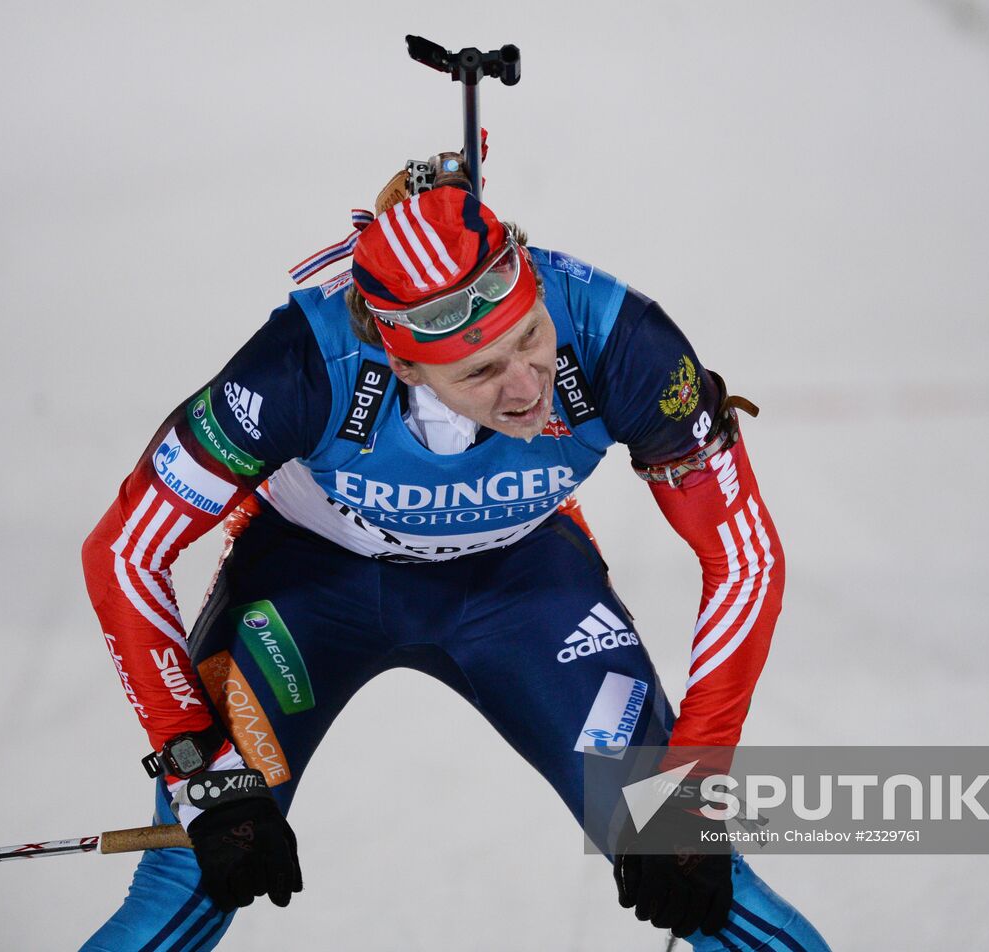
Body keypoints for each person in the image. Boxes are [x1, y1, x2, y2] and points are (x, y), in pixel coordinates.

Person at [79, 165, 831, 950]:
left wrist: (695, 787)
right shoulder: (300, 364)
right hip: (309, 587)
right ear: (403, 365)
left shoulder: (621, 339)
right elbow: (124, 551)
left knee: (690, 861)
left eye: (532, 337)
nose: (525, 387)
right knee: (196, 876)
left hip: (521, 585)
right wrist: (199, 769)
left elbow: (743, 558)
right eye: (478, 372)